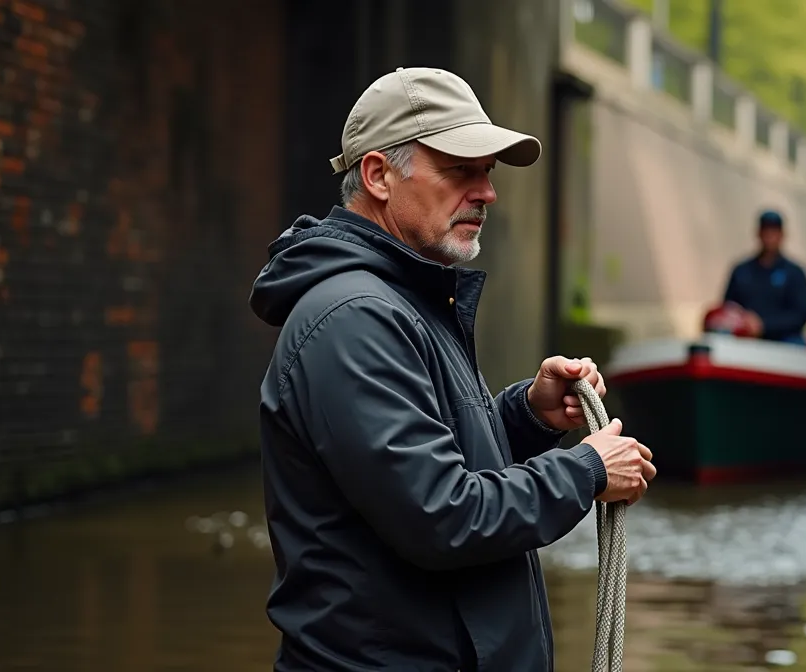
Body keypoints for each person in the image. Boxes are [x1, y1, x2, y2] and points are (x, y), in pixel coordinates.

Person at [248, 66, 656, 672]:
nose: (487, 193)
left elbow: (429, 461)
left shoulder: (403, 298)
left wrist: (528, 416)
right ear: (379, 176)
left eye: (487, 172)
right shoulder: (355, 317)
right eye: (460, 170)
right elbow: (442, 517)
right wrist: (586, 470)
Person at [721, 209, 806, 344]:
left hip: (784, 339)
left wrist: (763, 324)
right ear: (758, 234)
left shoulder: (795, 273)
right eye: (766, 231)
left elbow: (800, 315)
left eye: (774, 232)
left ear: (782, 235)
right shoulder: (742, 271)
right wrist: (744, 322)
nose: (769, 237)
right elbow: (728, 306)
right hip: (746, 338)